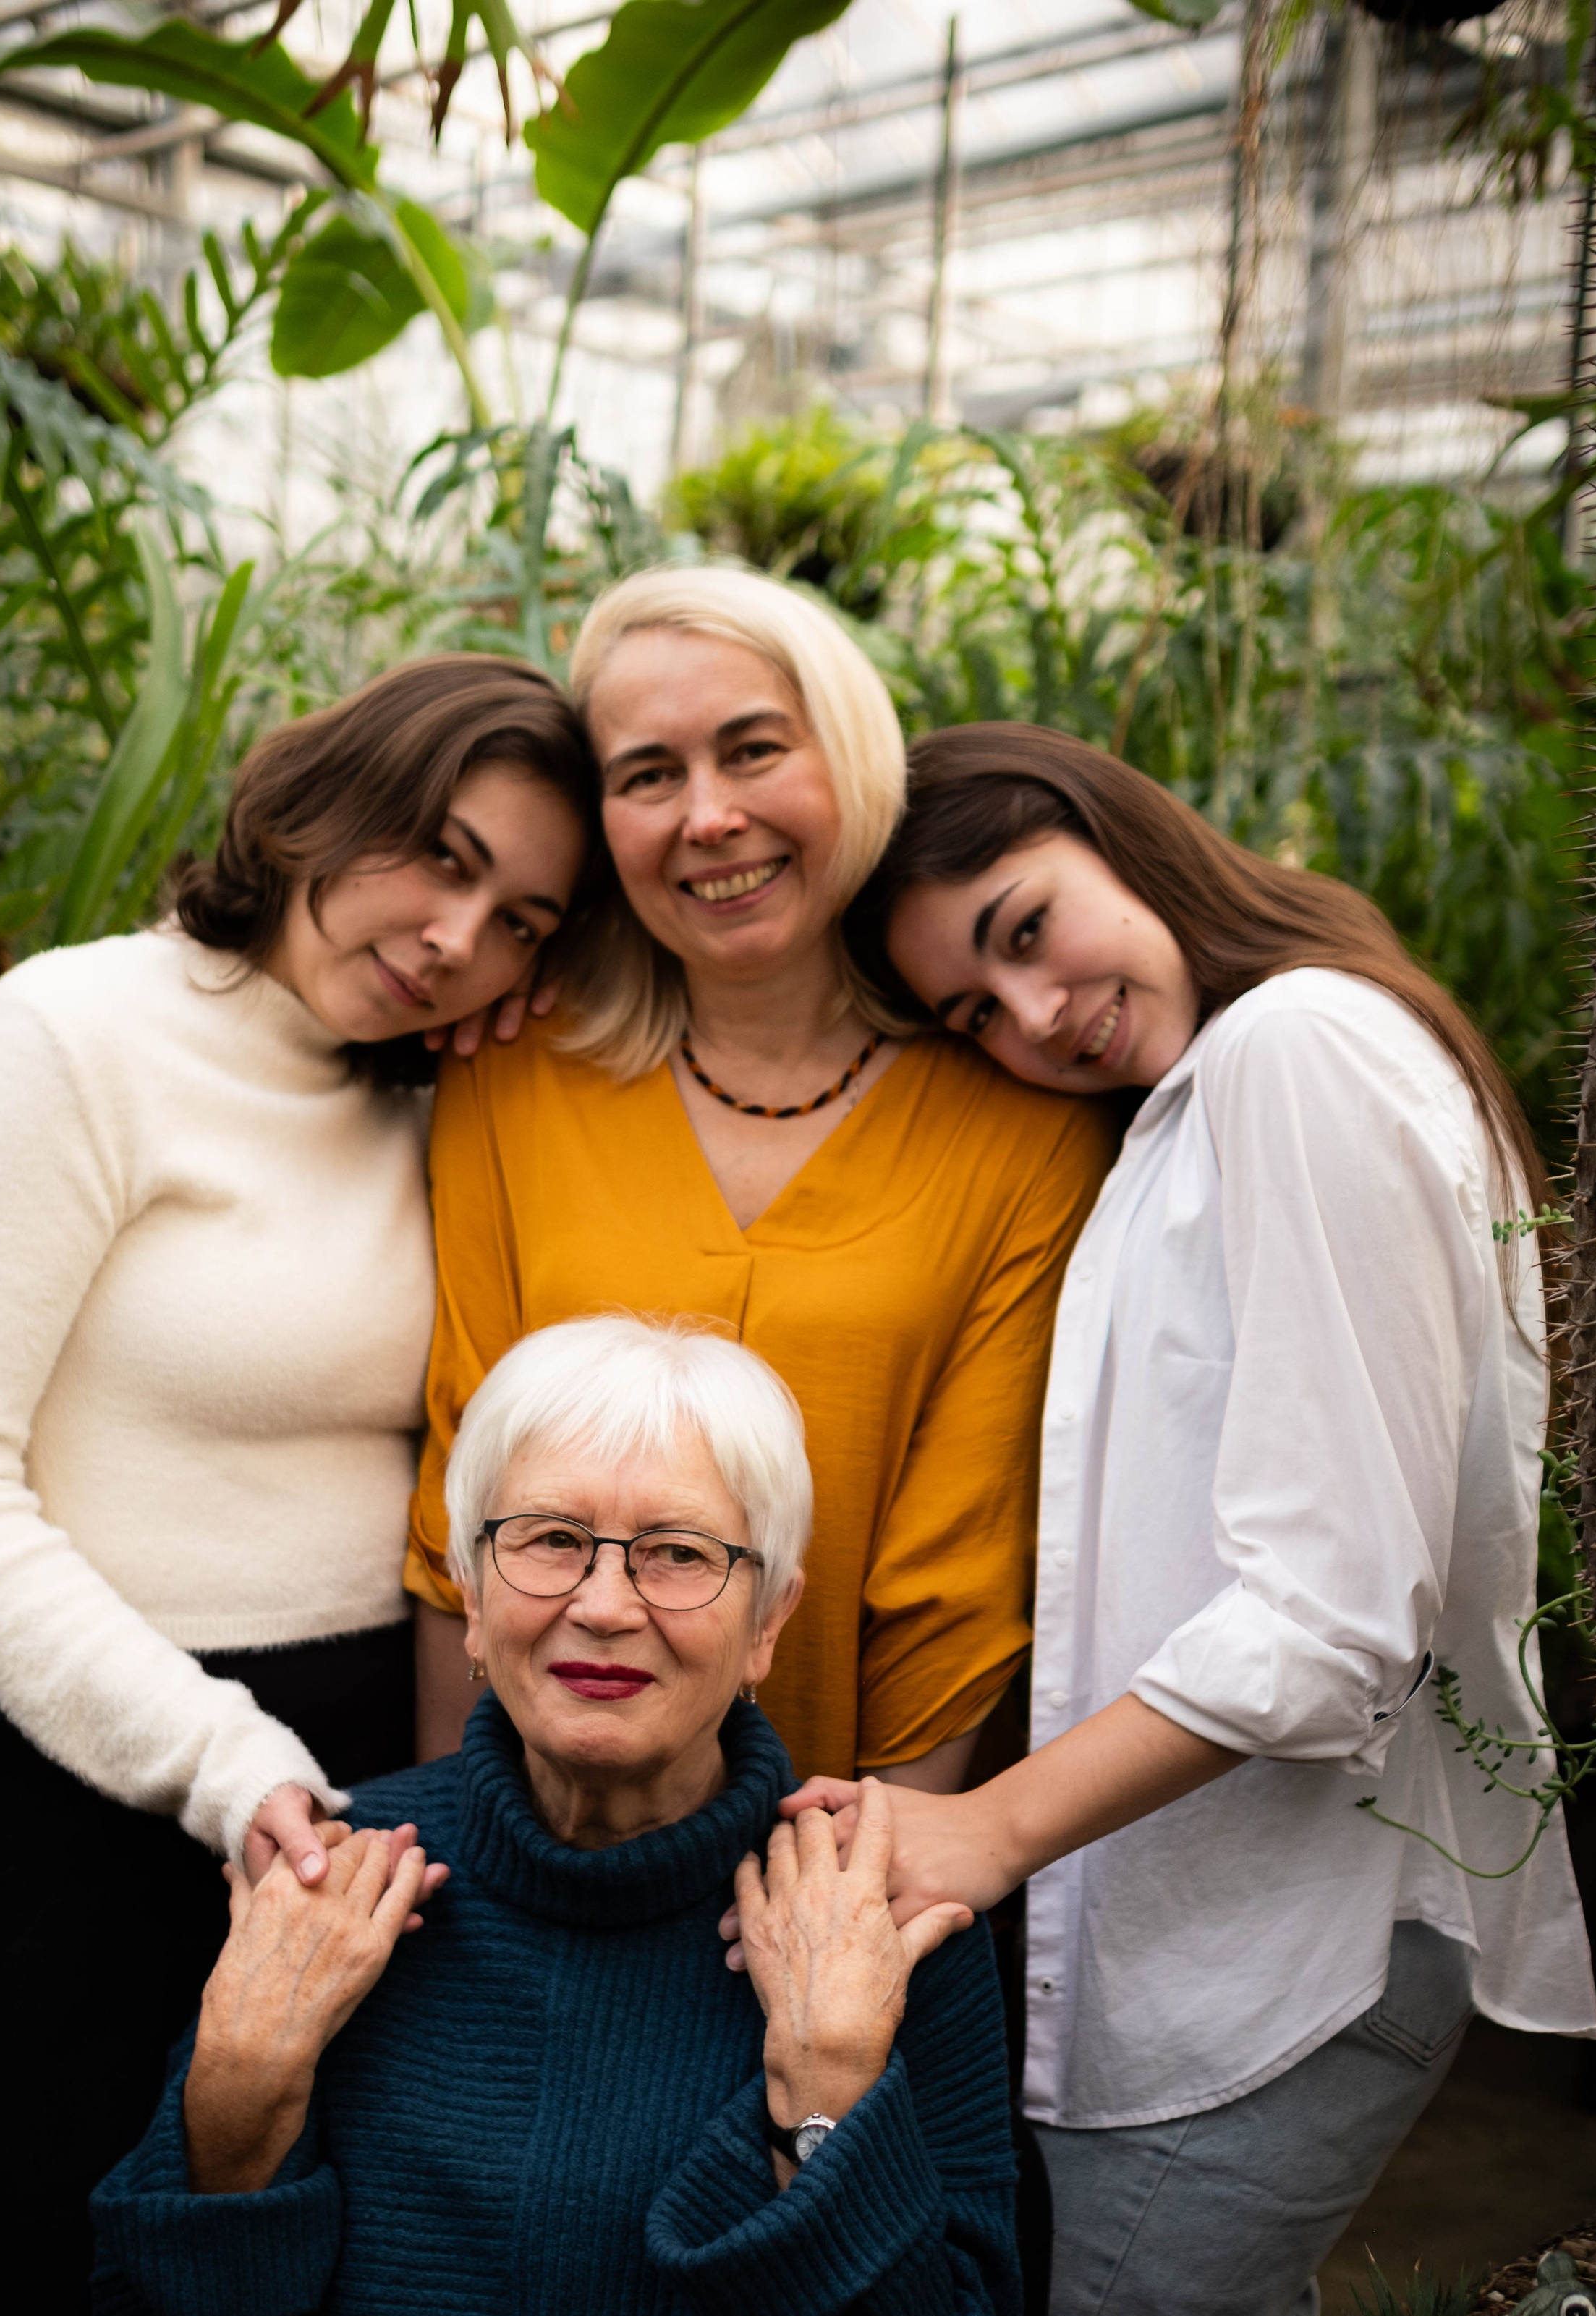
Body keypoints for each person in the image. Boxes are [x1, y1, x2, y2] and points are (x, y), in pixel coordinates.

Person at [0, 656, 597, 2316]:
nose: (460, 935)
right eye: (443, 859)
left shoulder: (433, 1087)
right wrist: (217, 1758)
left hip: (379, 1763)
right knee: (42, 2304)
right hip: (124, 1759)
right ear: (319, 795)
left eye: (528, 913)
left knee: (294, 2315)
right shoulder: (75, 1037)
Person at [779, 720, 1596, 2316]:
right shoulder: (1209, 1088)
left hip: (1273, 1945)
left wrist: (981, 1832)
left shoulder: (1291, 1052)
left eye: (1021, 927)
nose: (1031, 1013)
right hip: (1224, 1922)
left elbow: (1324, 1614)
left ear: (1114, 833)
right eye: (973, 1012)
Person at [70, 1317, 1022, 2316]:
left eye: (678, 1555)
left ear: (770, 1618)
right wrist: (239, 2095)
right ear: (466, 1585)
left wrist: (826, 2097)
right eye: (548, 1541)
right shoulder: (337, 1878)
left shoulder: (877, 1928)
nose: (601, 1604)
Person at [407, 567, 1111, 1789]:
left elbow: (964, 1569)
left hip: (851, 1822)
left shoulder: (1020, 1117)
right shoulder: (516, 1070)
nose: (709, 817)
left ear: (850, 753)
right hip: (533, 1820)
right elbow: (457, 1497)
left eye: (754, 750)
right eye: (648, 776)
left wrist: (873, 1888)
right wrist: (458, 1856)